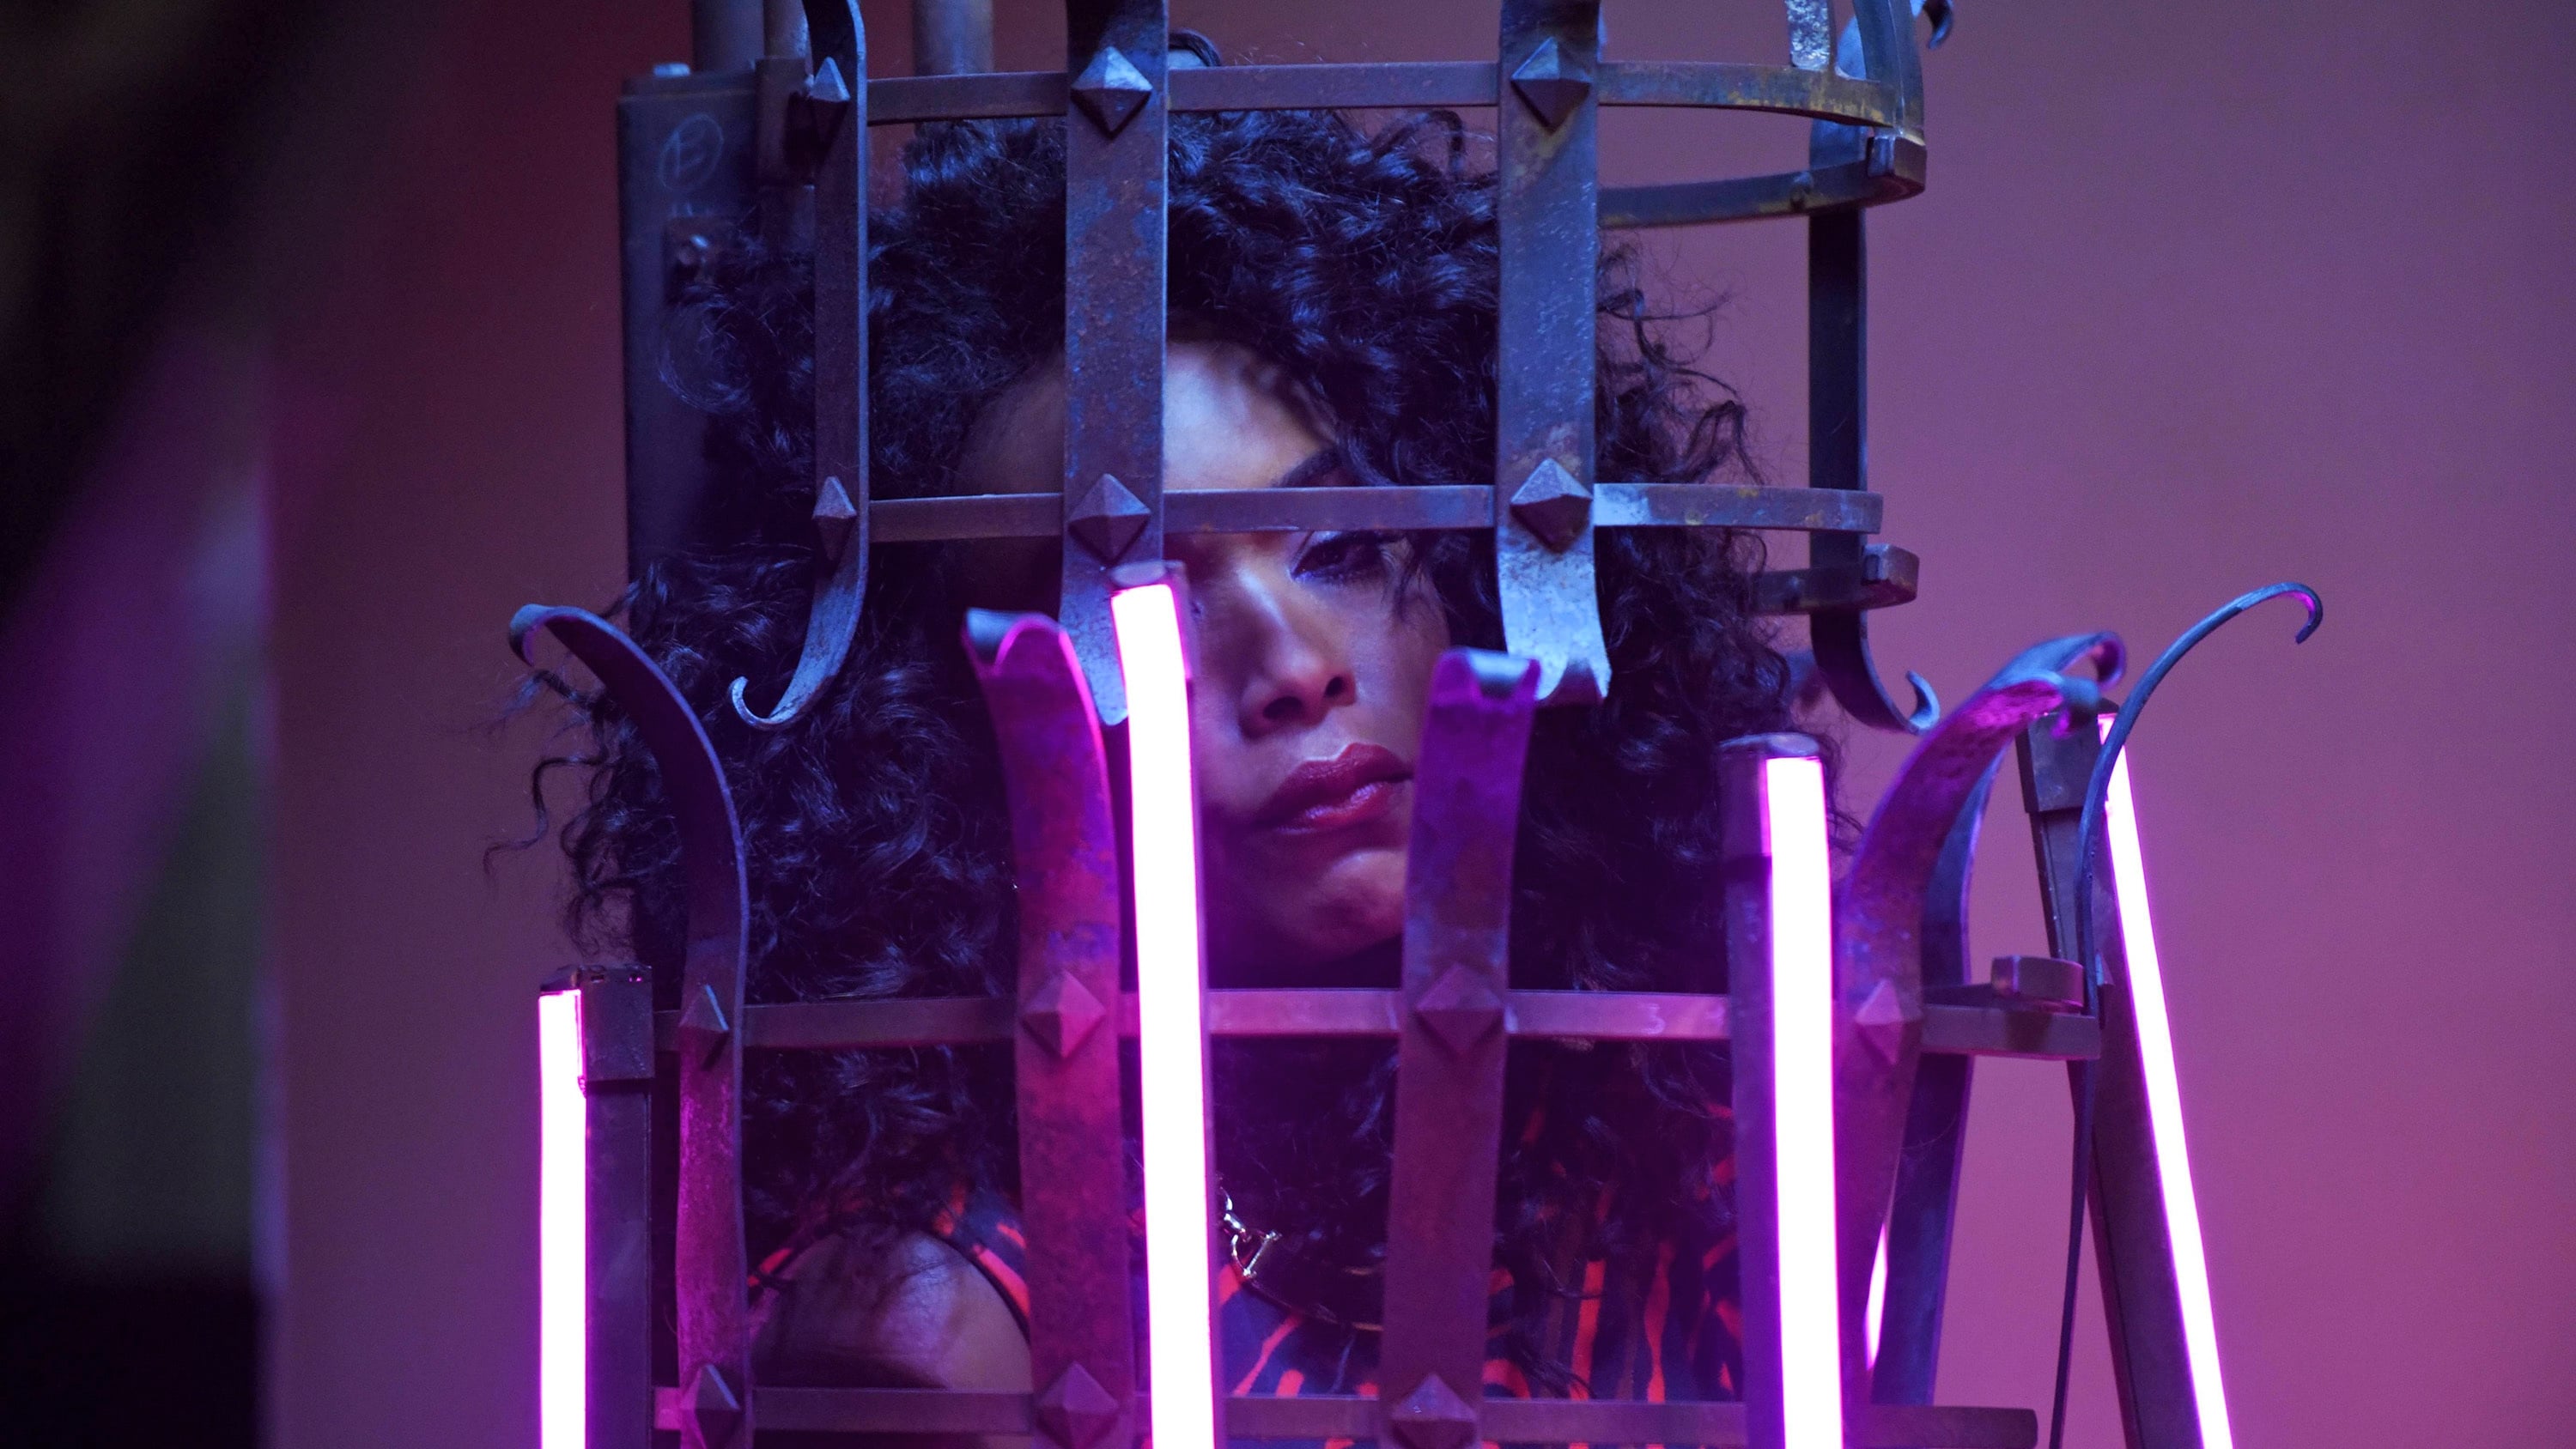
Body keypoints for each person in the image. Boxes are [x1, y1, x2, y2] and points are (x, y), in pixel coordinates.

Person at [535, 35, 1806, 1446]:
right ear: (929, 748)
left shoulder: (1686, 1155)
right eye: (1136, 599)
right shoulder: (938, 1328)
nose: (1293, 672)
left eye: (1339, 545)